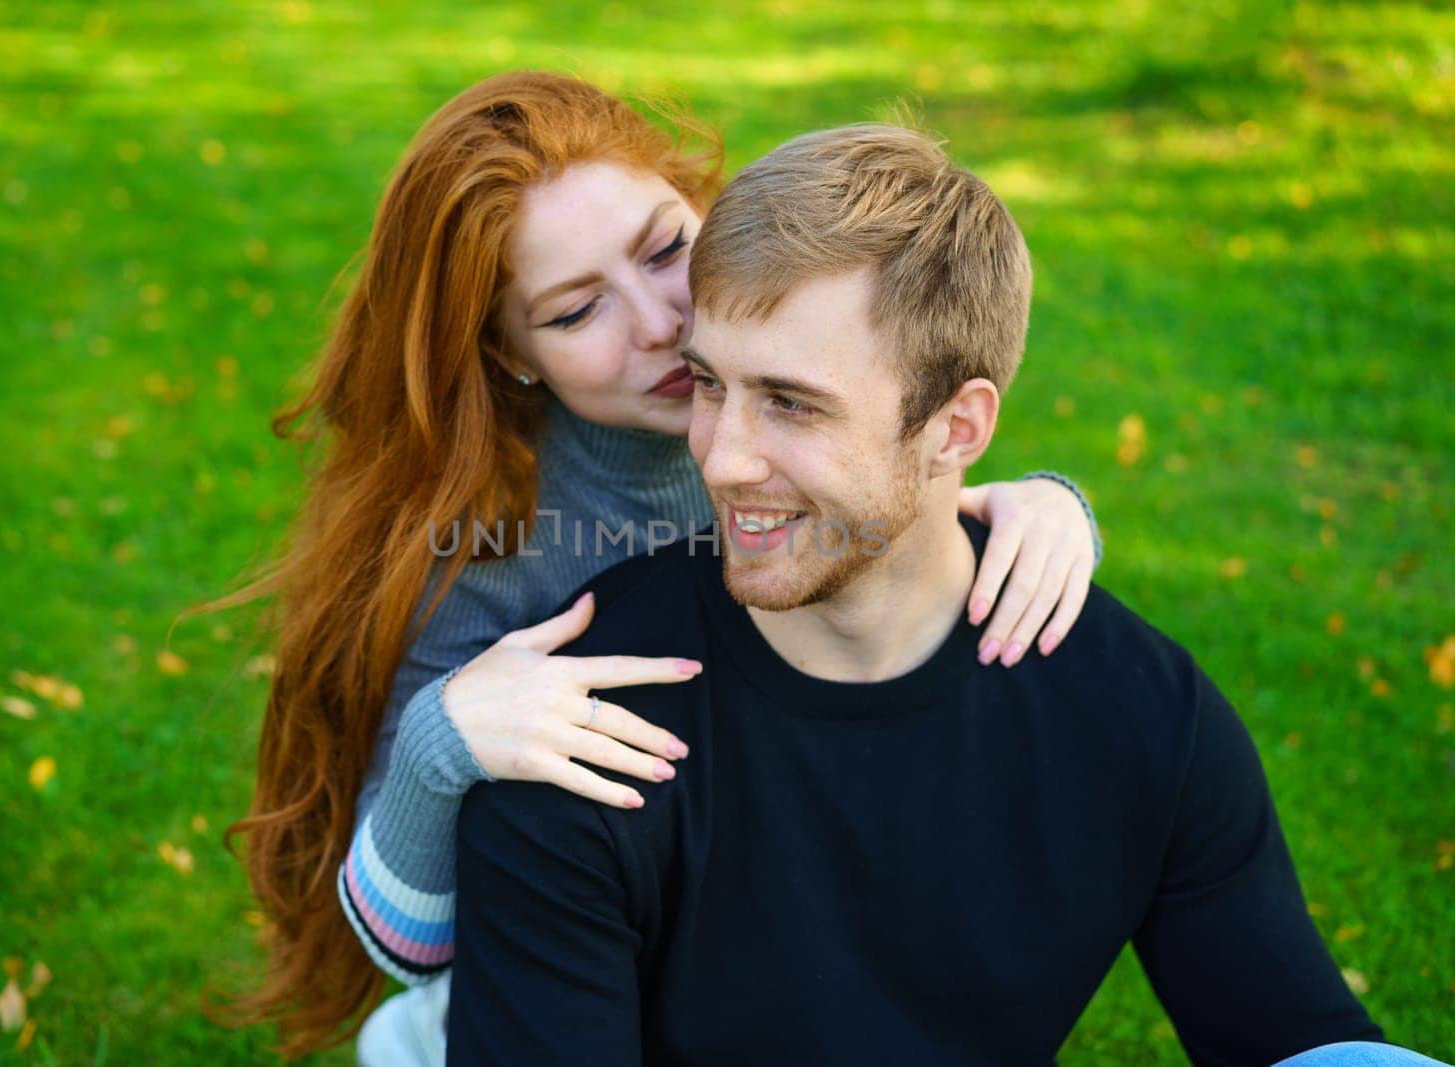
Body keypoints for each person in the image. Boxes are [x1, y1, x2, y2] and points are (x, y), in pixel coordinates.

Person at [443, 124, 1435, 1065]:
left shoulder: (1139, 714)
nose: (722, 454)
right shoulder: (582, 735)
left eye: (788, 402)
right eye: (710, 383)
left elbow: (1296, 1036)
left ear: (956, 429)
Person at [224, 73, 1103, 1062]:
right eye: (574, 312)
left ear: (702, 206)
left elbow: (911, 490)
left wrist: (1034, 508)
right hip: (556, 983)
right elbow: (405, 940)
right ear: (511, 355)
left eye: (663, 249)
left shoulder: (802, 395)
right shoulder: (491, 559)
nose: (658, 322)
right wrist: (446, 738)